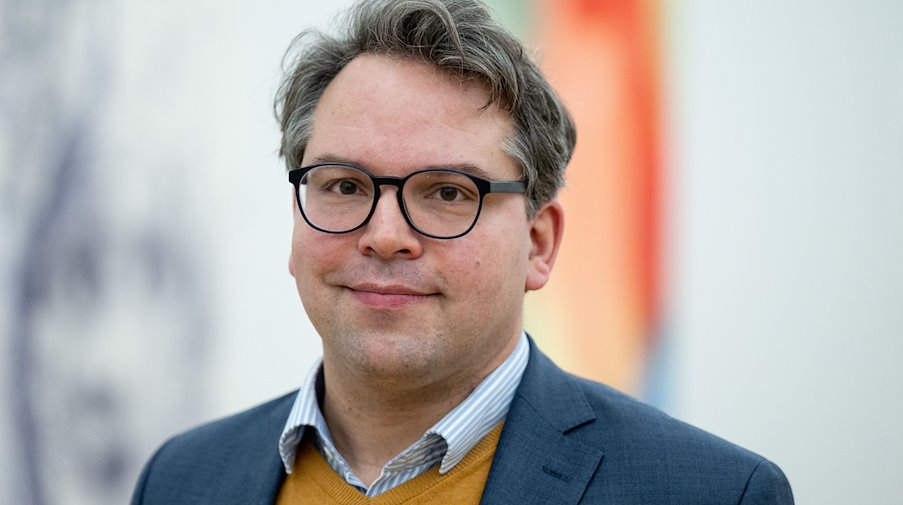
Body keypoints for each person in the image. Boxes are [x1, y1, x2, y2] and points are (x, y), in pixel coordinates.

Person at [131, 0, 794, 503]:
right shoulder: (181, 477)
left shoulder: (710, 491)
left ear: (538, 244)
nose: (384, 233)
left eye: (447, 192)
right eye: (343, 185)